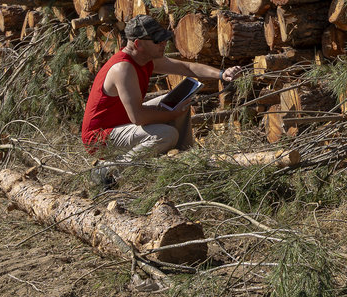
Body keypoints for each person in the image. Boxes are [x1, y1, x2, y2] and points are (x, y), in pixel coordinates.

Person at [80, 15, 237, 184]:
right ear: (138, 44)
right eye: (157, 41)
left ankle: (185, 160)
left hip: (121, 124)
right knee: (167, 134)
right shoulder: (123, 68)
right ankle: (110, 170)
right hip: (99, 139)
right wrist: (170, 114)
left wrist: (221, 74)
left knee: (177, 101)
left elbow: (186, 67)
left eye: (163, 39)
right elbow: (138, 117)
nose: (163, 43)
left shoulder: (145, 60)